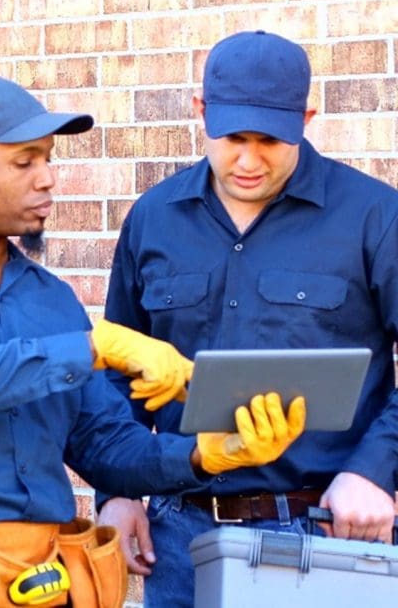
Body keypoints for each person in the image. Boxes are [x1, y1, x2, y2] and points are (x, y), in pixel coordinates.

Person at [0, 76, 305, 608]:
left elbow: (103, 445)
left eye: (49, 159)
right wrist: (91, 348)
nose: (48, 178)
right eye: (24, 162)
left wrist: (205, 456)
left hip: (33, 579)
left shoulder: (50, 299)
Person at [98, 30, 398, 607]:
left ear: (307, 117)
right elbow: (117, 374)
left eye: (270, 140)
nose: (249, 159)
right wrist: (117, 491)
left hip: (324, 533)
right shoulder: (153, 219)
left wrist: (374, 470)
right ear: (201, 112)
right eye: (233, 137)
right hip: (180, 537)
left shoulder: (375, 218)